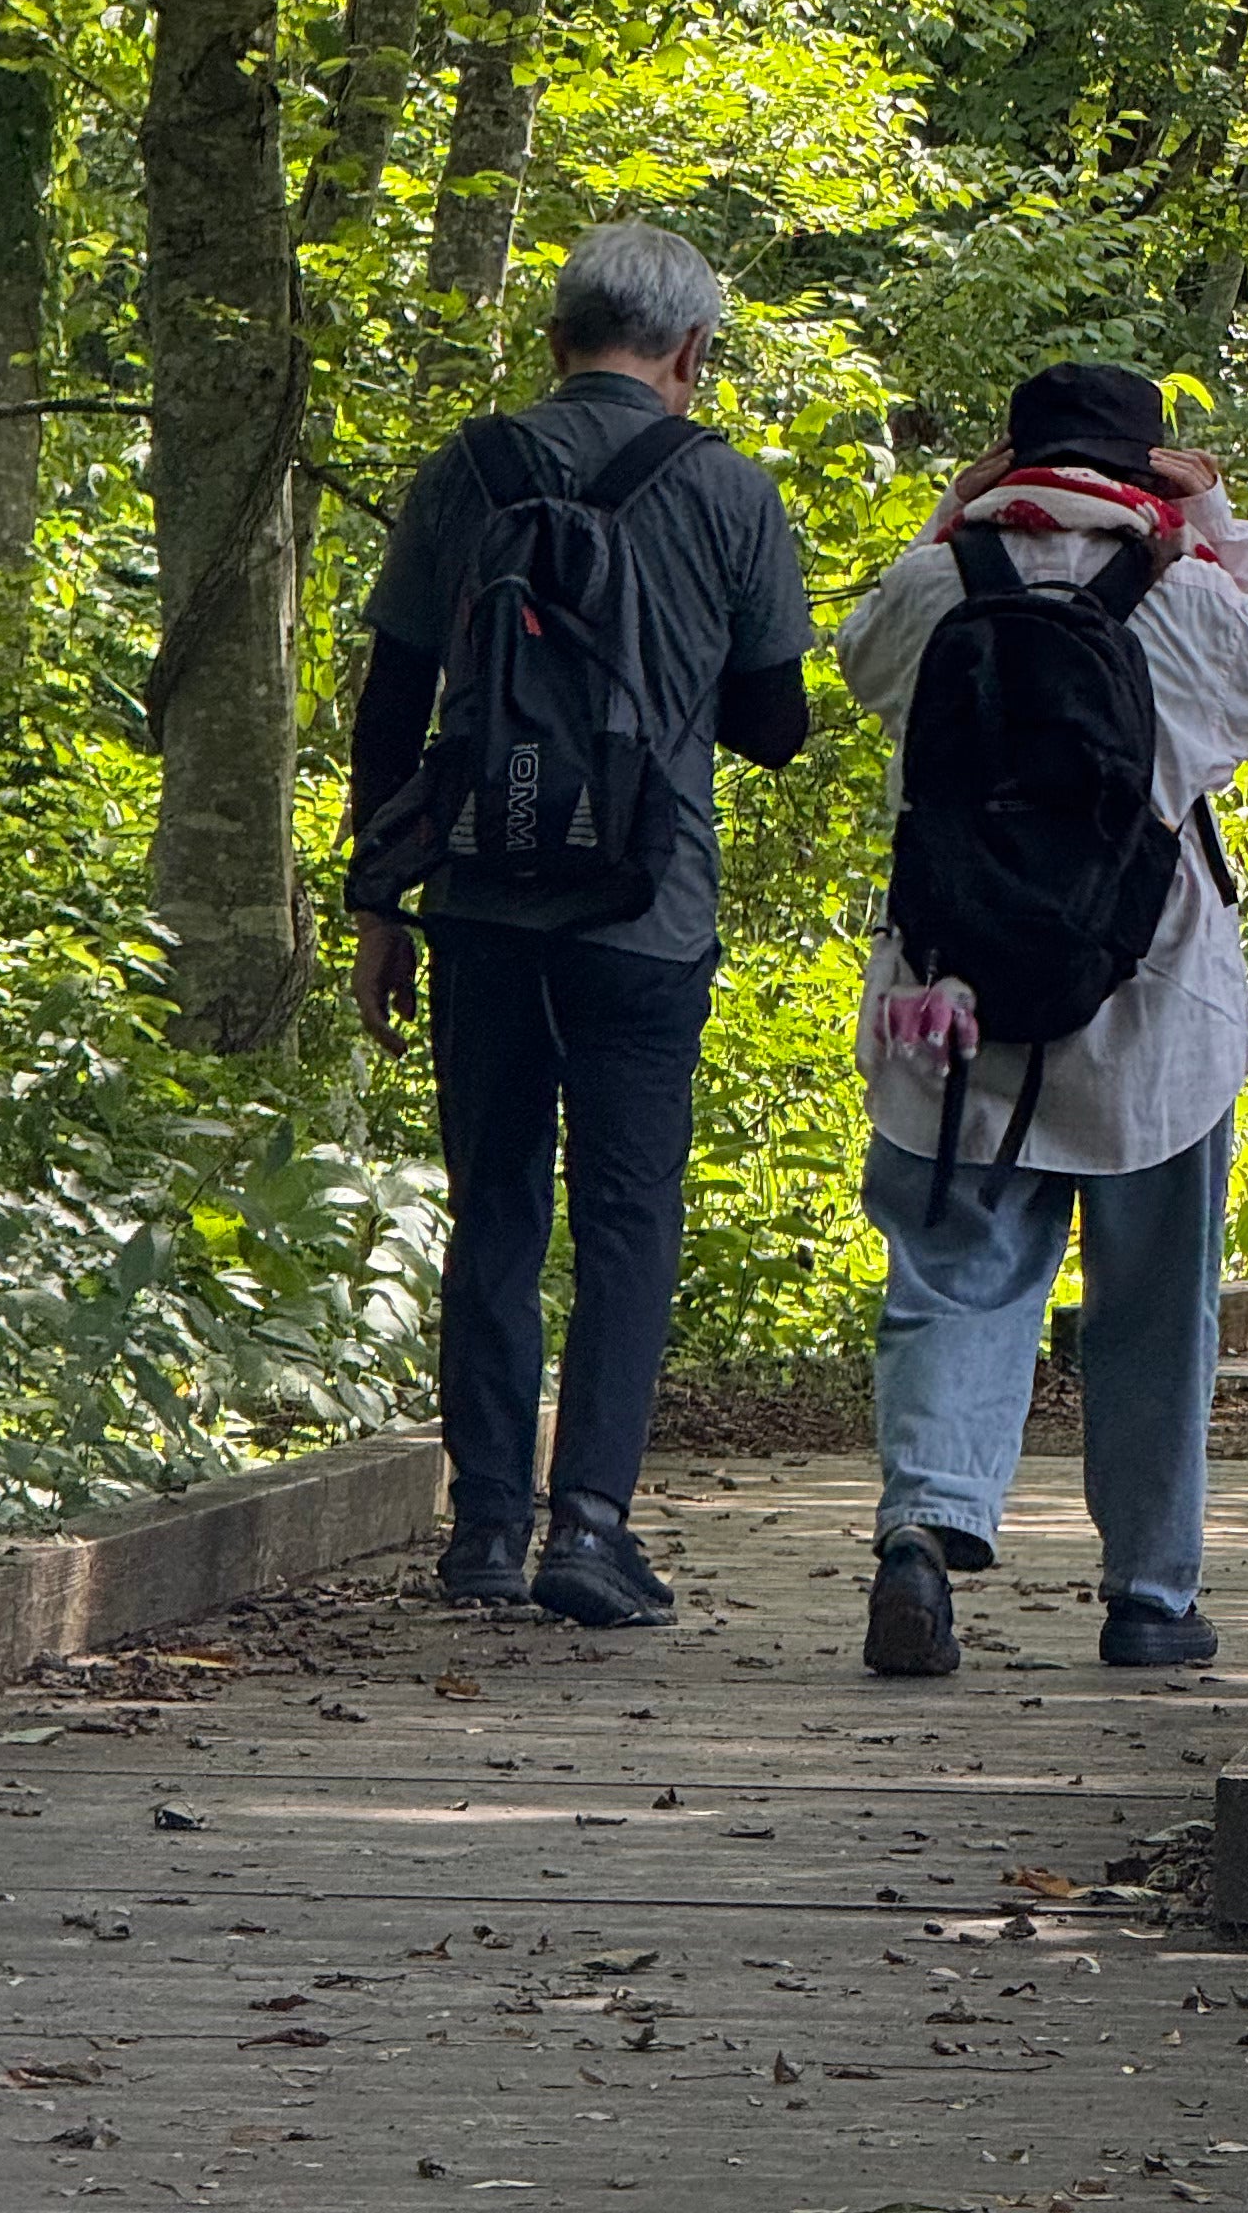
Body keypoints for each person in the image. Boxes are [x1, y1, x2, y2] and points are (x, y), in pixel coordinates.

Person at [348, 220, 816, 1626]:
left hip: (482, 895)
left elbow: (392, 708)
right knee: (627, 1215)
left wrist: (384, 906)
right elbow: (779, 728)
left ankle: (484, 1527)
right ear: (690, 355)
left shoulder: (469, 471)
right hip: (644, 909)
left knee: (494, 1199)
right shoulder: (727, 490)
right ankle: (592, 1529)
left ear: (555, 340)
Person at [835, 361, 1248, 1678]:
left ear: (1011, 453)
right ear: (1149, 464)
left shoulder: (939, 585)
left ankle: (922, 1534)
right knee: (1157, 1308)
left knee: (953, 1273)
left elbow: (855, 661)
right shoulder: (1185, 591)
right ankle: (1151, 1597)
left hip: (957, 999)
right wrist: (1216, 527)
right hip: (1151, 1010)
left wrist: (955, 511)